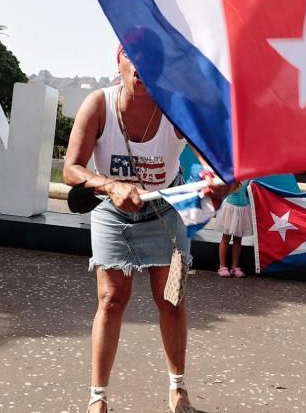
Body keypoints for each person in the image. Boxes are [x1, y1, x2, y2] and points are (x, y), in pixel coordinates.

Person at [63, 44, 226, 413]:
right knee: (110, 300)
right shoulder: (99, 104)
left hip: (165, 212)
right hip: (112, 212)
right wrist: (110, 185)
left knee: (170, 300)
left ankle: (178, 389)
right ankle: (98, 398)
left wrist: (217, 179)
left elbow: (212, 162)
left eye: (150, 56)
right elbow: (71, 169)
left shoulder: (175, 109)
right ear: (118, 61)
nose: (140, 64)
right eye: (131, 55)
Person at [216, 180, 253, 278]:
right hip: (231, 209)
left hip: (243, 209)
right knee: (225, 238)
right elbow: (230, 190)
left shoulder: (249, 176)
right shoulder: (232, 175)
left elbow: (249, 191)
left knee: (238, 240)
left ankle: (234, 267)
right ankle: (222, 266)